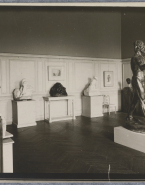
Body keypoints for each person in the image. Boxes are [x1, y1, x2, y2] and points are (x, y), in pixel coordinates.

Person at [126, 40, 145, 122]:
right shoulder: (135, 58)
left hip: (142, 78)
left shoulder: (141, 57)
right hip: (137, 79)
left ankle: (129, 115)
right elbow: (142, 67)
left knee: (136, 99)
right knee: (143, 98)